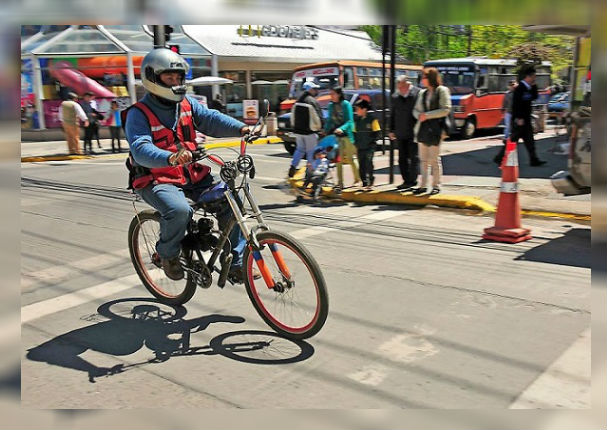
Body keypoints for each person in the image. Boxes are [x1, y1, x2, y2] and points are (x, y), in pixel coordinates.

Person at [123, 48, 256, 283]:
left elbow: (210, 118)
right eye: (169, 78)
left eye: (178, 78)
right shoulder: (138, 114)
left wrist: (241, 128)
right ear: (152, 77)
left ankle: (236, 263)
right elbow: (140, 148)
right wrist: (169, 157)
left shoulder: (185, 103)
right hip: (156, 179)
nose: (175, 82)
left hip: (191, 175)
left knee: (230, 200)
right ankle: (167, 255)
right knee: (180, 211)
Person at [494, 65, 546, 166]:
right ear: (528, 76)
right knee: (513, 140)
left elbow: (534, 97)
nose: (534, 79)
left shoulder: (529, 88)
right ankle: (499, 158)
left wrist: (534, 86)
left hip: (526, 119)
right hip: (520, 120)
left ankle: (534, 160)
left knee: (530, 141)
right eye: (534, 77)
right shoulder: (520, 89)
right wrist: (519, 118)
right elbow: (516, 105)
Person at [412, 68, 452, 196]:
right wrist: (419, 115)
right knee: (423, 159)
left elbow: (446, 109)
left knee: (434, 159)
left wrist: (427, 115)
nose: (422, 80)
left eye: (424, 77)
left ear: (431, 78)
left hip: (436, 128)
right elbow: (416, 109)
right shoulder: (422, 93)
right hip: (423, 128)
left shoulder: (442, 90)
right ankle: (423, 185)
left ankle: (436, 185)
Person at [324, 86, 360, 192]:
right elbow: (330, 119)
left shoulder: (346, 104)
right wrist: (325, 129)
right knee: (338, 160)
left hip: (347, 135)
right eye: (330, 94)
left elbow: (350, 121)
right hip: (337, 136)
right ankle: (340, 183)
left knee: (350, 159)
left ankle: (357, 179)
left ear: (339, 94)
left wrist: (341, 128)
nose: (331, 96)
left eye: (333, 94)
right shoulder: (331, 105)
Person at [389, 76, 420, 190]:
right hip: (400, 132)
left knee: (413, 157)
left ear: (408, 84)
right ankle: (406, 180)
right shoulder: (396, 97)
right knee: (402, 158)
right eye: (398, 87)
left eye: (402, 87)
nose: (400, 89)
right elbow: (392, 114)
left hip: (414, 131)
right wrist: (391, 130)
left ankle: (412, 180)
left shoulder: (417, 94)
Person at [288, 81, 323, 178]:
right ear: (310, 90)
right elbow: (319, 116)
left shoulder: (298, 101)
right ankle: (310, 173)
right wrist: (321, 128)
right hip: (310, 132)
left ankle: (293, 166)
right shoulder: (312, 101)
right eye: (314, 89)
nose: (316, 91)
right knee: (311, 152)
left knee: (299, 150)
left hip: (298, 132)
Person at [353, 98, 381, 188]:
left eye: (358, 109)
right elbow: (354, 132)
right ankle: (364, 181)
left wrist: (372, 142)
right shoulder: (357, 121)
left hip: (369, 146)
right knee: (361, 165)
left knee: (369, 163)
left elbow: (377, 132)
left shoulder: (372, 119)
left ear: (364, 109)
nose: (356, 111)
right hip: (360, 146)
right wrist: (355, 143)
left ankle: (370, 179)